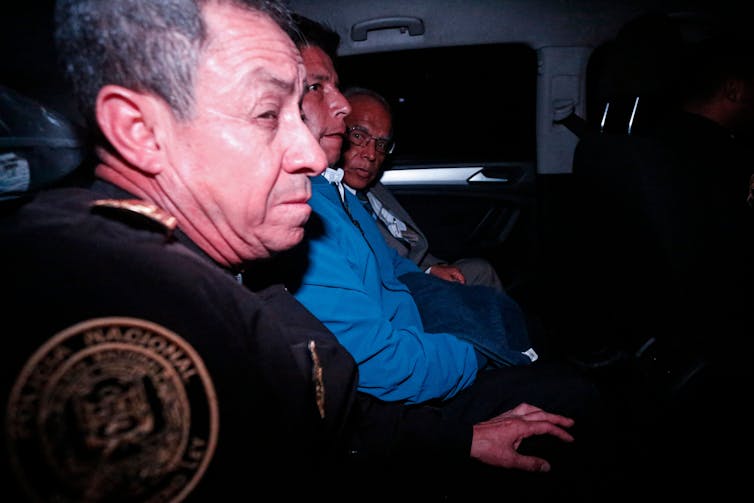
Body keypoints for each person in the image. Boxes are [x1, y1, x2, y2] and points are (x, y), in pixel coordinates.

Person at [1, 1, 602, 501]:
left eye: (300, 108)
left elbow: (327, 412)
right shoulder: (123, 305)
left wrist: (456, 441)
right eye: (268, 113)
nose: (316, 156)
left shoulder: (213, 259)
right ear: (139, 131)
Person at [340, 86, 505, 291]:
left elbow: (408, 243)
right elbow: (371, 266)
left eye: (381, 144)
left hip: (415, 270)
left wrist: (434, 266)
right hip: (393, 287)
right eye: (358, 136)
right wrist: (425, 273)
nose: (372, 154)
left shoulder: (373, 189)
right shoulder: (331, 197)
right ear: (335, 130)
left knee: (480, 270)